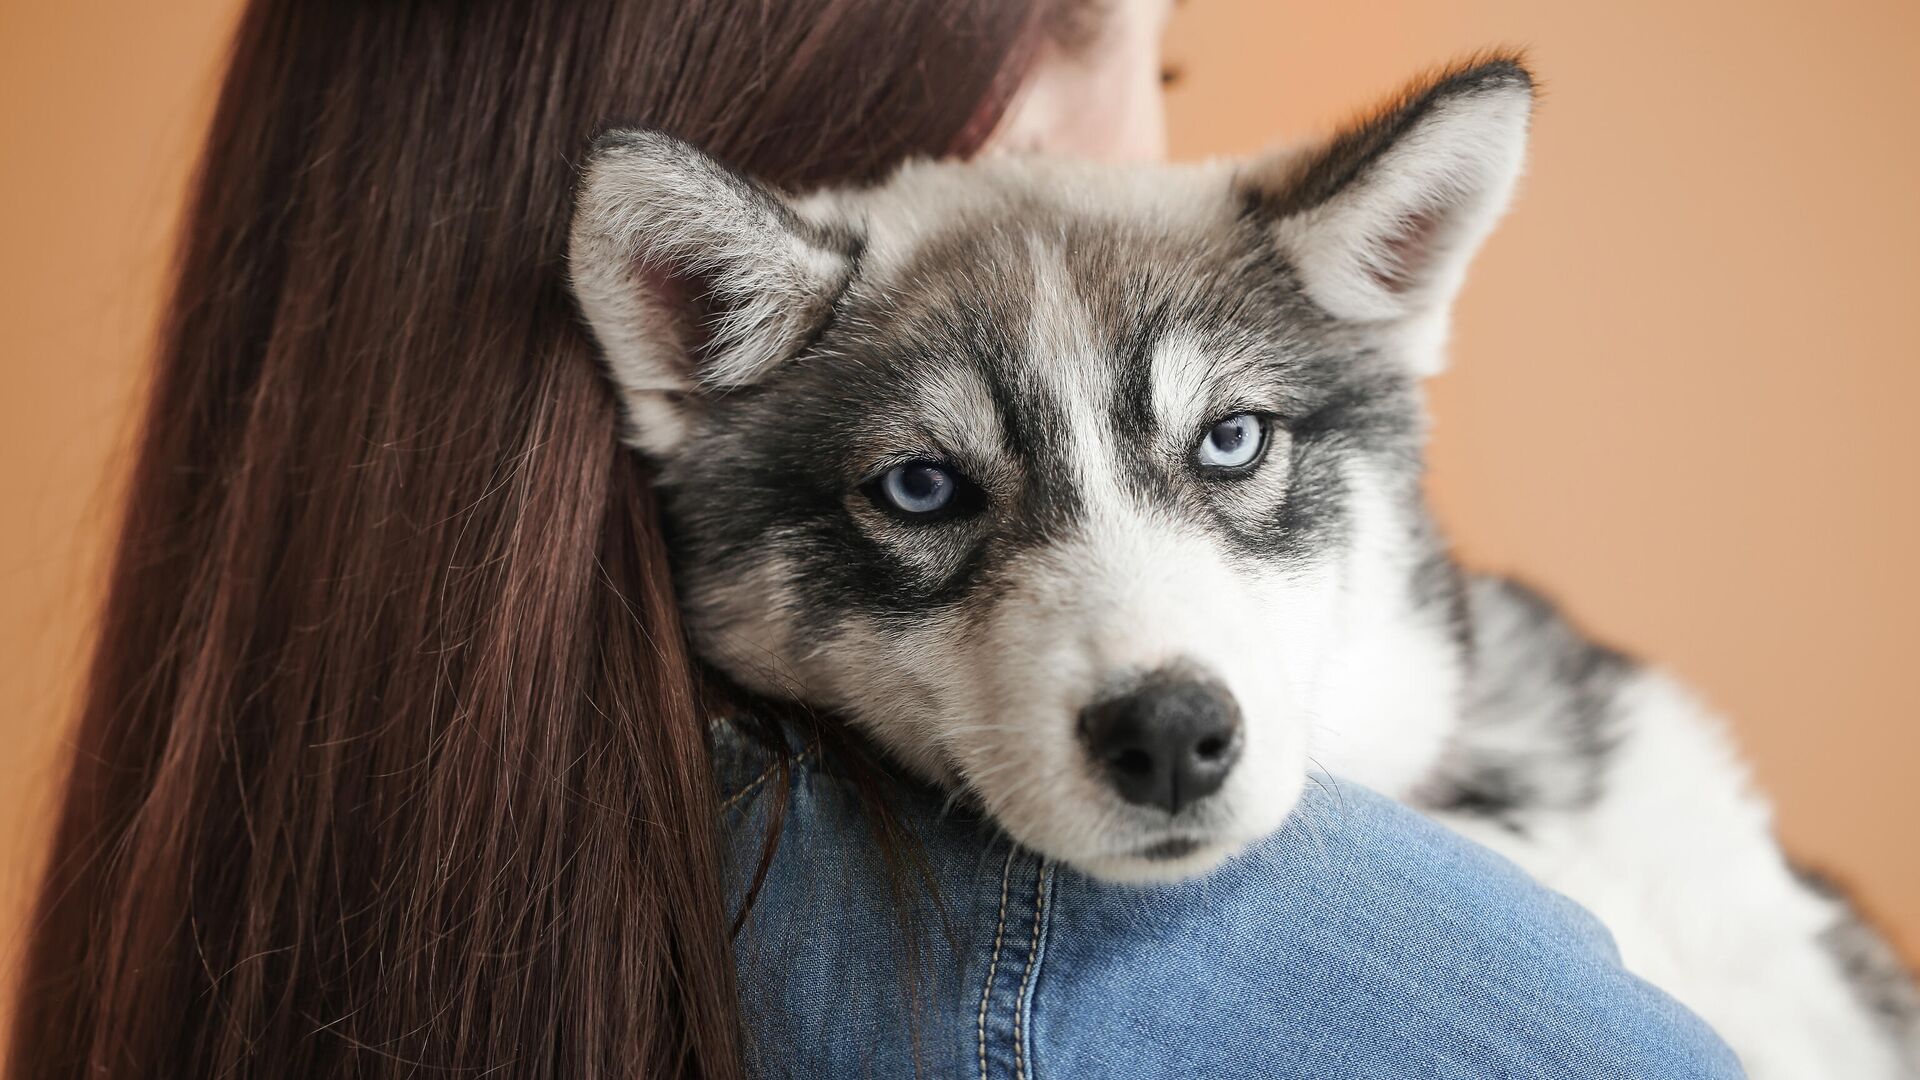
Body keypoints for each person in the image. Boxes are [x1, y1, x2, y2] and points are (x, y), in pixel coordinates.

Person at [6, 1, 1741, 1076]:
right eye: (1109, 52)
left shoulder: (303, 858)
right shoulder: (1199, 958)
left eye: (1171, 57)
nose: (1133, 162)